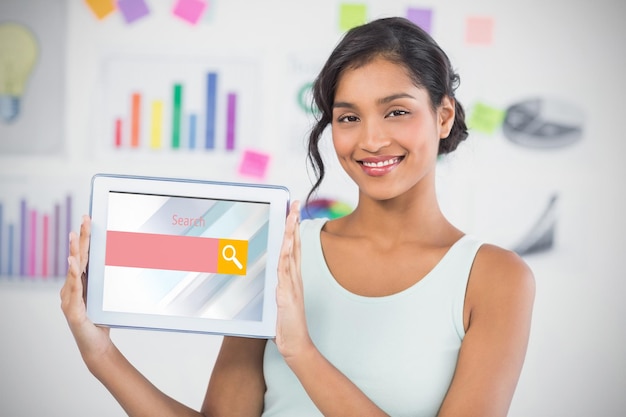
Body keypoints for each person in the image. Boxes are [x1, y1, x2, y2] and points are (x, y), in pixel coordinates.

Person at [61, 16, 535, 417]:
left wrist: (301, 352)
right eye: (348, 118)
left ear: (444, 115)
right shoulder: (278, 251)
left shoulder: (494, 278)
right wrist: (99, 352)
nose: (370, 140)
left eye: (395, 112)